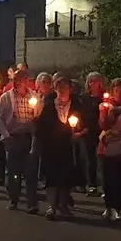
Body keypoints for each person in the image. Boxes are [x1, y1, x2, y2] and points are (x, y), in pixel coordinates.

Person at [35, 76, 84, 220]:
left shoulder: (76, 106)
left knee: (66, 177)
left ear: (70, 89)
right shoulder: (49, 106)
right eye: (59, 87)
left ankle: (63, 205)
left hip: (68, 147)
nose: (62, 90)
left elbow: (84, 124)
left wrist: (79, 133)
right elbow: (41, 128)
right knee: (52, 177)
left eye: (65, 87)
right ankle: (52, 206)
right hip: (51, 147)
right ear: (55, 89)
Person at [0, 69, 40, 212]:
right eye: (17, 79)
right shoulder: (6, 97)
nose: (18, 82)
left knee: (31, 171)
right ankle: (13, 199)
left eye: (23, 79)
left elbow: (39, 115)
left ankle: (32, 202)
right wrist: (6, 135)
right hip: (13, 137)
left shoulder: (34, 97)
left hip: (28, 137)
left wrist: (35, 119)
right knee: (13, 171)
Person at [98, 78, 121, 221]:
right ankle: (109, 206)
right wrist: (108, 114)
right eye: (116, 90)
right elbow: (103, 125)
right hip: (107, 146)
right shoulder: (106, 105)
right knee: (108, 178)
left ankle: (118, 207)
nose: (119, 93)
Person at [79, 72, 105, 195]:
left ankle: (104, 185)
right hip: (88, 131)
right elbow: (80, 114)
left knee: (102, 159)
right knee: (90, 159)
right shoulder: (84, 98)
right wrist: (82, 127)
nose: (93, 84)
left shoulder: (104, 98)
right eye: (91, 81)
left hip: (101, 132)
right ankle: (91, 184)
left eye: (96, 81)